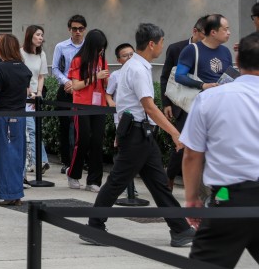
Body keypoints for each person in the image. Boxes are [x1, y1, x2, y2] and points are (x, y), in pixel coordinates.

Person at [81, 23, 195, 248]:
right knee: (117, 181)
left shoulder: (133, 66)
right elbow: (149, 107)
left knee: (159, 184)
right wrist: (174, 133)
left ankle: (180, 229)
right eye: (161, 42)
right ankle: (94, 226)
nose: (163, 45)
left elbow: (127, 103)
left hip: (139, 132)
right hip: (137, 132)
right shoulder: (138, 69)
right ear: (152, 44)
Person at [179, 32, 259, 269]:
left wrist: (192, 199)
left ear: (237, 62)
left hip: (229, 196)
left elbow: (191, 154)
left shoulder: (212, 98)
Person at [0, 34, 32, 206]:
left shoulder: (0, 68)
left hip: (3, 117)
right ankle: (15, 192)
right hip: (19, 116)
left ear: (3, 48)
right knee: (16, 155)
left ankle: (9, 193)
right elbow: (27, 91)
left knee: (4, 155)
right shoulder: (24, 68)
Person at [160, 17, 206, 189]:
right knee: (182, 143)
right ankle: (169, 178)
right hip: (183, 104)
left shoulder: (213, 52)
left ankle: (202, 186)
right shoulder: (177, 49)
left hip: (205, 103)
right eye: (205, 34)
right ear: (195, 31)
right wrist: (166, 103)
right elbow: (165, 76)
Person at [66, 29, 110, 192]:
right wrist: (95, 78)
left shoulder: (102, 60)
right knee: (82, 140)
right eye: (100, 47)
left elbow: (106, 85)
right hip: (82, 104)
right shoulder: (78, 60)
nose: (101, 50)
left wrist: (106, 81)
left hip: (99, 105)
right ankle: (73, 174)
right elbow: (75, 85)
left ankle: (94, 181)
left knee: (97, 142)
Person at [52, 15, 87, 173]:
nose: (77, 32)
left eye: (80, 29)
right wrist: (67, 82)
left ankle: (81, 160)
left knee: (82, 127)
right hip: (66, 90)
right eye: (74, 29)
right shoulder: (61, 46)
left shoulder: (89, 47)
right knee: (65, 127)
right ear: (69, 29)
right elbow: (55, 68)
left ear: (84, 29)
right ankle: (67, 162)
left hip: (84, 90)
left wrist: (79, 84)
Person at [174, 13, 234, 96]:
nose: (229, 33)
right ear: (213, 32)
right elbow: (179, 76)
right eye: (225, 29)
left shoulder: (226, 51)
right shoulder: (191, 49)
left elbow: (230, 77)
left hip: (222, 101)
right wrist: (203, 85)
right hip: (200, 102)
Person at [21, 25, 49, 172]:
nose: (40, 38)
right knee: (31, 128)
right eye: (38, 34)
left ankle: (36, 160)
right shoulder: (20, 53)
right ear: (30, 35)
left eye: (42, 35)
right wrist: (29, 93)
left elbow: (41, 76)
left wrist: (38, 93)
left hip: (35, 98)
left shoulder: (41, 54)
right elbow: (20, 76)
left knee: (34, 128)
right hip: (23, 96)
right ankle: (41, 160)